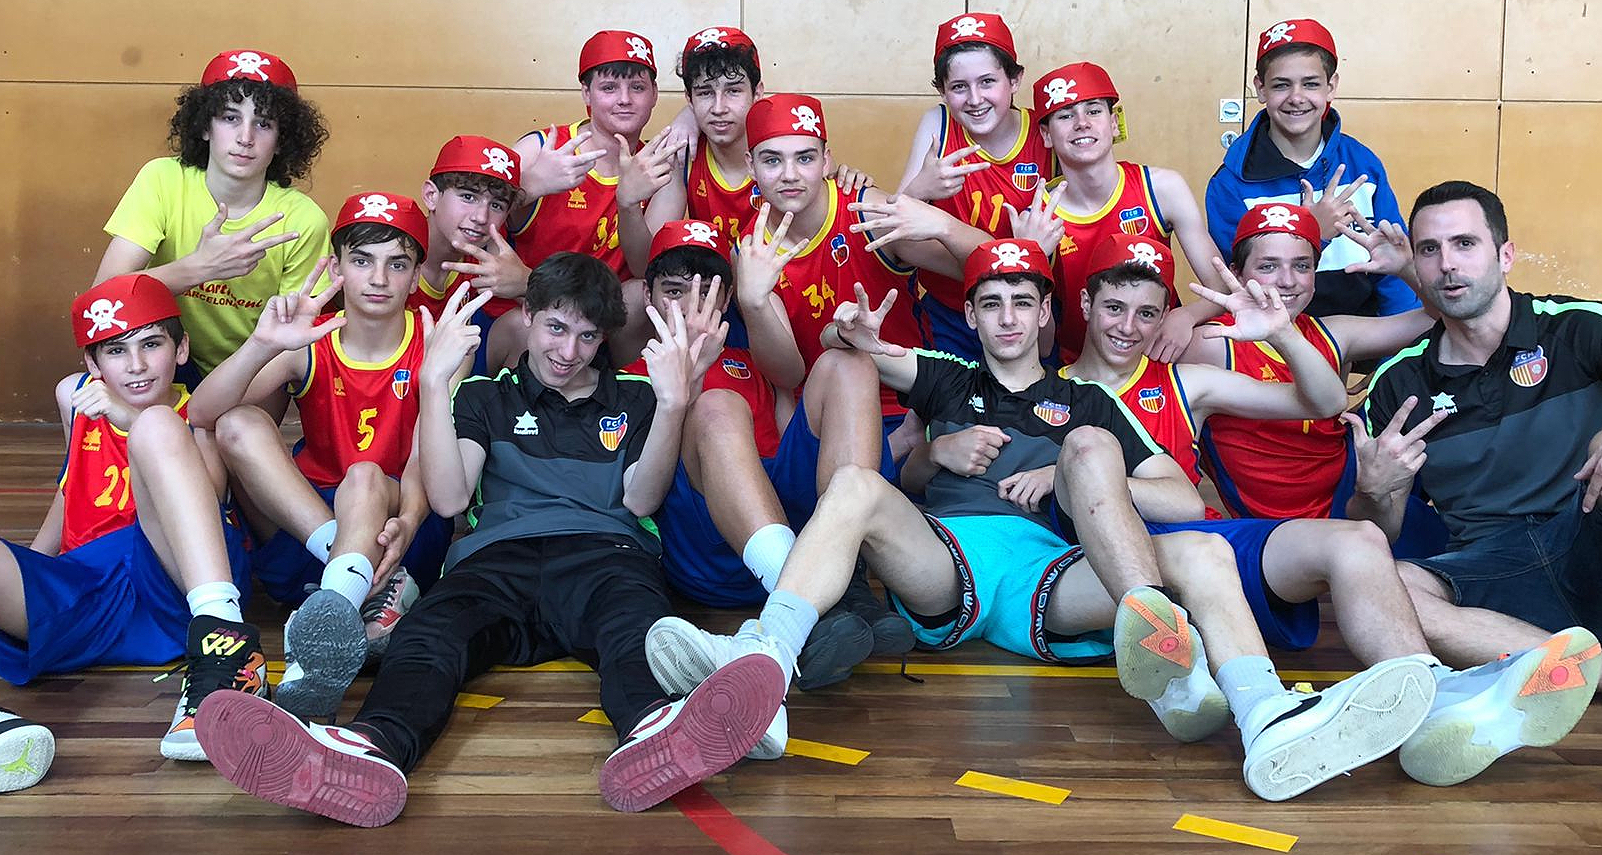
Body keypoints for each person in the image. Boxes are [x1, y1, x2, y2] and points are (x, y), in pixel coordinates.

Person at [646, 238, 1439, 802]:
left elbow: (1182, 498)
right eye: (989, 303)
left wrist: (1063, 476)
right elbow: (856, 351)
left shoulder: (1092, 402)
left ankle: (1263, 716)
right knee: (855, 482)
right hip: (947, 562)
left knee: (1190, 541)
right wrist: (908, 412)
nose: (1006, 318)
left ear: (1048, 312)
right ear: (977, 315)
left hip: (1049, 574)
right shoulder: (947, 379)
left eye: (1022, 302)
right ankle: (767, 660)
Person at [194, 253, 785, 824]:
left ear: (604, 338)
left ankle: (655, 730)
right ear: (527, 316)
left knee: (634, 630)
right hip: (492, 562)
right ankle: (371, 746)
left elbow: (640, 499)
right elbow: (450, 500)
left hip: (606, 554)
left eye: (585, 336)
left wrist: (674, 403)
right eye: (554, 328)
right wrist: (433, 382)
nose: (566, 351)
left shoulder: (635, 396)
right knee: (428, 637)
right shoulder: (481, 395)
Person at [1059, 232, 1598, 787]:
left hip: (1228, 541)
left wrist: (1283, 333)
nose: (1129, 326)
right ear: (1084, 306)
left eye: (1148, 312)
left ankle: (1430, 696)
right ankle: (1301, 709)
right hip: (1122, 562)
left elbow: (1322, 402)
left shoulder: (1184, 378)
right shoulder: (1047, 391)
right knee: (1174, 526)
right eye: (1115, 308)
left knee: (1358, 539)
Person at [1351, 180, 1602, 784]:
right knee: (1378, 581)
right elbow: (1373, 531)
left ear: (1505, 255)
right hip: (1492, 564)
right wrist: (1375, 489)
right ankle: (1567, 666)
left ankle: (1532, 678)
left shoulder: (1575, 328)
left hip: (1586, 528)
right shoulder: (1397, 384)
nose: (1448, 263)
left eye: (1465, 243)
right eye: (1430, 249)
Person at [187, 192, 451, 718]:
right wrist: (263, 344)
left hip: (396, 532)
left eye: (397, 264)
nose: (378, 278)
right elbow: (202, 413)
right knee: (237, 423)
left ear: (417, 271)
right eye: (362, 261)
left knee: (365, 474)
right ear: (336, 267)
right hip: (311, 532)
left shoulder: (435, 339)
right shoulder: (310, 341)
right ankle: (346, 589)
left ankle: (315, 658)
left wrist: (409, 522)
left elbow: (428, 457)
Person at [626, 219, 911, 696]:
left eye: (707, 292)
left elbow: (788, 439)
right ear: (649, 297)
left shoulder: (750, 359)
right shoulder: (631, 376)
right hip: (713, 551)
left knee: (849, 363)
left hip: (789, 524)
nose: (689, 307)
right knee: (716, 406)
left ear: (726, 298)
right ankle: (816, 604)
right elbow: (641, 493)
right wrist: (687, 384)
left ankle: (847, 586)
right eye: (674, 291)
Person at [0, 275, 264, 762]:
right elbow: (70, 485)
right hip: (89, 585)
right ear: (92, 363)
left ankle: (227, 646)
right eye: (116, 351)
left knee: (158, 424)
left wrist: (127, 417)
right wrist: (32, 570)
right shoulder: (75, 397)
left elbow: (205, 502)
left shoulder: (201, 412)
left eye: (151, 344)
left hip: (176, 582)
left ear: (181, 349)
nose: (137, 365)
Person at [1184, 203, 1446, 559]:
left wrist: (1407, 269)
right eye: (1268, 266)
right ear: (1237, 273)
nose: (1288, 281)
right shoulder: (1212, 344)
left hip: (1356, 493)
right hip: (1284, 531)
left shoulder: (1332, 332)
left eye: (1302, 266)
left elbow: (1442, 318)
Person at [95, 49, 332, 386]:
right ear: (205, 126)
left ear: (283, 140)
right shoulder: (162, 179)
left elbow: (285, 349)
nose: (245, 137)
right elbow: (104, 300)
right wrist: (201, 267)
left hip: (249, 370)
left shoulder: (304, 219)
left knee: (235, 429)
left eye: (263, 123)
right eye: (230, 117)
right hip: (161, 364)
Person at [1203, 18, 1420, 322]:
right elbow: (1238, 285)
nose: (1296, 97)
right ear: (1260, 89)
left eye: (1311, 83)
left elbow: (1392, 266)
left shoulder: (1362, 164)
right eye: (1281, 85)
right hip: (1275, 337)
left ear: (1331, 87)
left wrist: (1403, 348)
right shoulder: (1230, 183)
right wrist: (1313, 233)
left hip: (1365, 334)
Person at [1028, 61, 1225, 363]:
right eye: (1066, 115)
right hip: (1077, 368)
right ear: (1046, 135)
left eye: (1093, 111)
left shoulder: (1162, 188)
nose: (1082, 123)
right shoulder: (1038, 216)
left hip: (1157, 356)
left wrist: (1186, 316)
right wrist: (1033, 260)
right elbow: (1039, 347)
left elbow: (1221, 288)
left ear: (1114, 122)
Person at [896, 11, 1055, 359]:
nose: (974, 98)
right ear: (941, 91)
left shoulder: (1045, 134)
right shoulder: (938, 125)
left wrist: (977, 265)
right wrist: (919, 189)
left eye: (987, 82)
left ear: (1014, 80)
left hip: (1029, 317)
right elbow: (900, 239)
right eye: (958, 87)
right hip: (950, 314)